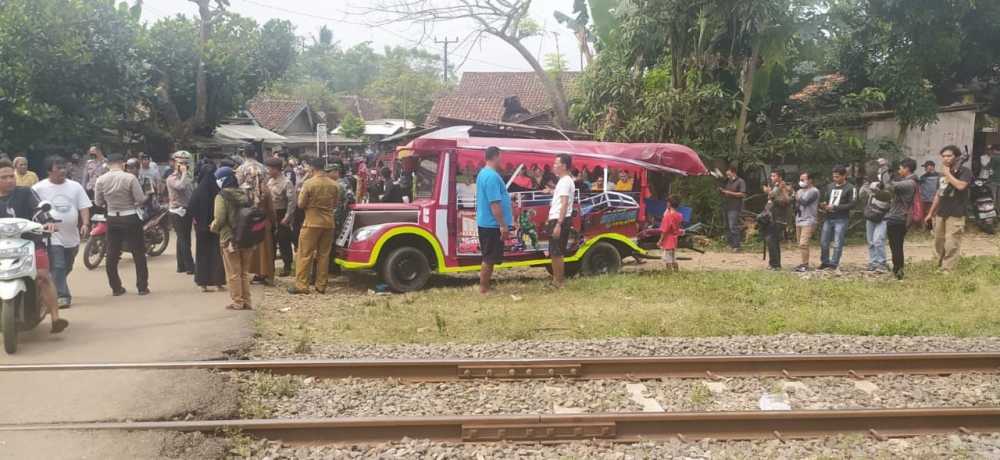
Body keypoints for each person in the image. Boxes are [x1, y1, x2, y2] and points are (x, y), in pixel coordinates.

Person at [0, 160, 69, 332]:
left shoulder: (25, 193)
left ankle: (55, 318)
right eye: (4, 177)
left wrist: (48, 222)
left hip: (30, 243)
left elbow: (39, 210)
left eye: (11, 176)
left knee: (43, 276)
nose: (9, 180)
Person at [32, 157, 92, 308]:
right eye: (58, 168)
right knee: (58, 265)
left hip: (72, 235)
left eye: (64, 168)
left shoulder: (75, 186)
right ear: (49, 171)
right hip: (52, 235)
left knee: (67, 266)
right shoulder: (39, 188)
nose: (62, 171)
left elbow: (83, 206)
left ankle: (49, 286)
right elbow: (34, 209)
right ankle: (62, 296)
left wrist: (85, 223)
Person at [95, 154, 149, 296]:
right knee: (138, 253)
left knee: (112, 254)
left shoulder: (100, 180)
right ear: (123, 164)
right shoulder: (130, 178)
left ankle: (116, 288)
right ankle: (142, 287)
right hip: (130, 217)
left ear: (107, 164)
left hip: (112, 218)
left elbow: (98, 202)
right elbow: (140, 199)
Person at [288, 157, 339, 295]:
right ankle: (321, 285)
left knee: (305, 253)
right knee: (324, 255)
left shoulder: (309, 184)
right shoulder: (334, 184)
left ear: (312, 168)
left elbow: (300, 204)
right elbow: (335, 204)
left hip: (311, 222)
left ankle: (302, 285)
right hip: (329, 223)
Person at [925, 145, 975, 273]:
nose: (946, 159)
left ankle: (948, 269)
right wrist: (930, 213)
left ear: (957, 157)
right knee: (938, 241)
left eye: (949, 156)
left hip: (956, 212)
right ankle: (939, 264)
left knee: (952, 242)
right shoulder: (941, 174)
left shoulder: (965, 171)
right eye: (944, 156)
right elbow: (938, 194)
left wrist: (948, 174)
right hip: (941, 212)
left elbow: (960, 186)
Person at [210, 167, 253, 310]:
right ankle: (247, 301)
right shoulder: (244, 193)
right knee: (244, 272)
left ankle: (237, 301)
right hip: (246, 237)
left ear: (222, 180)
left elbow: (220, 218)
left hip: (229, 238)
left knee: (233, 272)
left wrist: (213, 227)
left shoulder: (221, 196)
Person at [475, 147, 513, 295]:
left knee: (489, 256)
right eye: (500, 157)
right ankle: (484, 288)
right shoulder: (491, 176)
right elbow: (495, 203)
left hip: (488, 222)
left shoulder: (484, 173)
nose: (501, 160)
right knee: (489, 257)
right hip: (491, 224)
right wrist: (503, 225)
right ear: (496, 157)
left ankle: (486, 286)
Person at [236, 147, 275, 285]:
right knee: (264, 242)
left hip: (246, 209)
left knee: (247, 240)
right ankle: (264, 272)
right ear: (256, 153)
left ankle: (246, 271)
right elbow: (267, 187)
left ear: (243, 154)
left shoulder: (240, 169)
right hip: (262, 207)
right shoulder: (264, 169)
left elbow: (238, 187)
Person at [188, 163, 226, 292]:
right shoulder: (217, 190)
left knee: (202, 253)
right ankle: (218, 282)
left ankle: (203, 283)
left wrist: (197, 221)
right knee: (216, 253)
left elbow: (191, 208)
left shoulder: (198, 191)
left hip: (201, 228)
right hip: (215, 226)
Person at [879, 158, 918, 280]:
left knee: (896, 246)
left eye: (900, 168)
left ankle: (898, 271)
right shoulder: (907, 181)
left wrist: (884, 168)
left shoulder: (909, 183)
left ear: (907, 169)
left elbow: (888, 186)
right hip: (897, 217)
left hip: (898, 218)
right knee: (895, 245)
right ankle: (897, 270)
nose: (899, 170)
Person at [818, 166, 857, 270]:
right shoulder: (830, 186)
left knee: (838, 242)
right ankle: (825, 261)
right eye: (834, 176)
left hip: (841, 218)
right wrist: (824, 205)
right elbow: (826, 199)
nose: (835, 179)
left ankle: (834, 263)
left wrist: (836, 207)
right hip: (829, 217)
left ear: (844, 176)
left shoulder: (851, 188)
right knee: (824, 241)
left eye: (837, 177)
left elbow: (852, 204)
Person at [548, 153, 576, 288]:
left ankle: (559, 282)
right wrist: (550, 191)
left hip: (559, 219)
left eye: (556, 163)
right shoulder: (564, 180)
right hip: (558, 218)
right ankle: (556, 281)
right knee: (555, 252)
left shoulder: (565, 181)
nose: (554, 166)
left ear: (564, 166)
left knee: (557, 252)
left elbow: (564, 203)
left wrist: (559, 223)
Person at [165, 151, 195, 274]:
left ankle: (181, 265)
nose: (183, 165)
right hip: (177, 211)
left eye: (185, 163)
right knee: (183, 239)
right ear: (175, 163)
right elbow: (180, 187)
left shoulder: (187, 177)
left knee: (184, 238)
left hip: (186, 210)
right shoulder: (171, 178)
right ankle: (190, 267)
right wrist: (183, 173)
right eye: (181, 163)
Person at [266, 157, 296, 277]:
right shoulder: (269, 181)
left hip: (282, 213)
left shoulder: (286, 182)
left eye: (270, 168)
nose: (268, 171)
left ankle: (287, 266)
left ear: (276, 169)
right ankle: (270, 266)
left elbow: (292, 201)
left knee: (284, 241)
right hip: (270, 214)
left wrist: (287, 217)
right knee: (270, 241)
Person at [859, 176, 891, 273]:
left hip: (883, 219)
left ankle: (882, 263)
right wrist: (864, 187)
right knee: (871, 242)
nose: (874, 190)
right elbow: (861, 196)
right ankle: (873, 262)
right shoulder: (870, 193)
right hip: (871, 218)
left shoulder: (887, 193)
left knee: (878, 240)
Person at [762, 169, 792, 271]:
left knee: (771, 239)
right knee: (772, 241)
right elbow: (771, 197)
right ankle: (774, 264)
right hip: (772, 216)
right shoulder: (775, 187)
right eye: (771, 176)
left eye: (774, 176)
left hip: (780, 217)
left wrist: (770, 192)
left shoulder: (786, 187)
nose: (772, 178)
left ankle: (775, 264)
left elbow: (786, 201)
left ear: (780, 177)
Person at [793, 172, 819, 272]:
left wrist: (796, 196)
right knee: (800, 244)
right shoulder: (799, 191)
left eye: (803, 180)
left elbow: (805, 202)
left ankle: (805, 265)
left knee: (804, 243)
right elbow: (797, 205)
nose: (801, 182)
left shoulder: (814, 191)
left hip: (809, 220)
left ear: (810, 180)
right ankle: (804, 263)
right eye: (800, 180)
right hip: (799, 219)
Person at [718, 166, 747, 252]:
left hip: (735, 207)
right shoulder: (728, 181)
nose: (727, 175)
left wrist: (728, 192)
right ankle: (730, 244)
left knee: (733, 226)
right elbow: (724, 191)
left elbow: (743, 194)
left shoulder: (740, 181)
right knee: (727, 226)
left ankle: (736, 246)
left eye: (729, 174)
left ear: (733, 172)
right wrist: (722, 191)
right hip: (726, 205)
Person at [657, 194, 685, 272]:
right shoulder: (679, 215)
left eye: (667, 202)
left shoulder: (668, 216)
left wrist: (660, 240)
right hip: (674, 239)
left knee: (668, 259)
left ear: (669, 204)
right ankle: (676, 272)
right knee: (673, 258)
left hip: (668, 240)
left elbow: (664, 230)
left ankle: (669, 274)